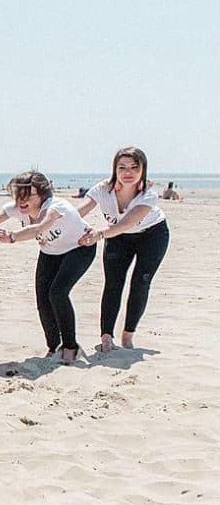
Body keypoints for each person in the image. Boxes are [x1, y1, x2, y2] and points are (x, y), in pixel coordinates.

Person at [0, 171, 95, 364]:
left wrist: (12, 237)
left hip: (79, 248)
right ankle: (54, 347)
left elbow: (39, 228)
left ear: (42, 194)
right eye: (18, 194)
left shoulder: (56, 206)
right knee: (42, 299)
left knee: (58, 293)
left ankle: (70, 347)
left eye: (28, 195)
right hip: (51, 252)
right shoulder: (16, 208)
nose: (22, 200)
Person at [75, 147, 170, 352]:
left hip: (152, 235)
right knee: (113, 283)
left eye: (134, 167)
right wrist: (55, 226)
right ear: (115, 169)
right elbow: (79, 211)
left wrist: (98, 234)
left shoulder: (148, 194)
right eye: (122, 167)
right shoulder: (103, 189)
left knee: (140, 282)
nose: (128, 172)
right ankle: (107, 337)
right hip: (117, 238)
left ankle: (128, 336)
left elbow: (126, 224)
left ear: (143, 169)